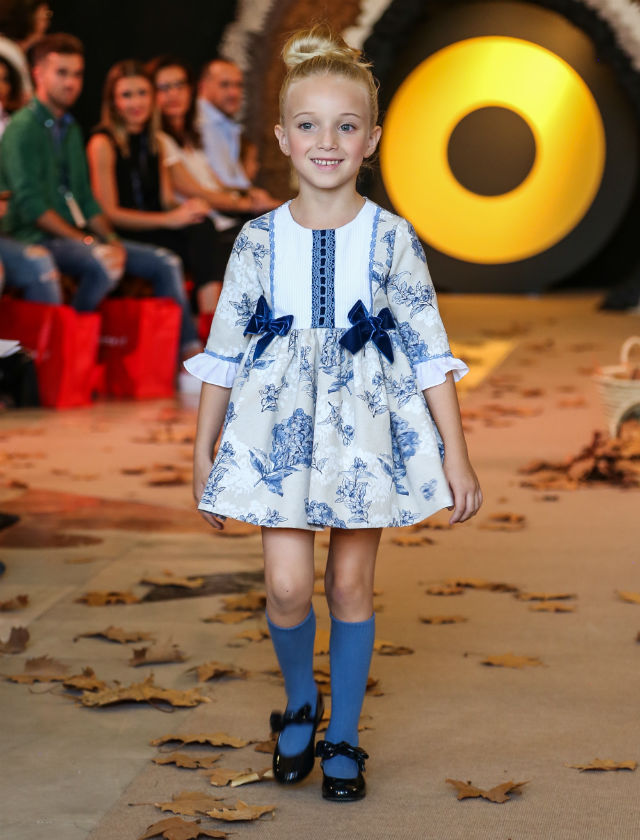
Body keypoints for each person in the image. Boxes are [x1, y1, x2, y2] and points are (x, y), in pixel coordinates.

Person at [185, 25, 482, 802]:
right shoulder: (257, 241)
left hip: (363, 437)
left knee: (349, 583)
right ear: (283, 137)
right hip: (276, 435)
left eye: (346, 126)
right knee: (287, 587)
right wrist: (203, 448)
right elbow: (224, 349)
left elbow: (428, 349)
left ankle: (344, 733)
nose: (327, 142)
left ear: (371, 140)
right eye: (309, 126)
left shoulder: (392, 239)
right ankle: (300, 702)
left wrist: (455, 454)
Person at [0, 34, 200, 363]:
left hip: (73, 236)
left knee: (165, 262)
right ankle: (69, 352)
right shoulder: (23, 128)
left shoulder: (70, 128)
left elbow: (86, 201)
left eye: (77, 74)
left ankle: (187, 357)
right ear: (38, 74)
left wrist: (111, 240)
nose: (71, 82)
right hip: (33, 236)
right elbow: (32, 207)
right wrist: (90, 242)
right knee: (101, 263)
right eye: (61, 73)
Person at [87, 59, 222, 317]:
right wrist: (169, 219)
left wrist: (189, 208)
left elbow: (166, 200)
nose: (136, 103)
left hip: (154, 226)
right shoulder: (102, 143)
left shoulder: (156, 142)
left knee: (204, 226)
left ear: (152, 98)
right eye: (127, 95)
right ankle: (200, 323)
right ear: (113, 102)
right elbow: (109, 213)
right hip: (123, 232)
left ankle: (209, 316)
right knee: (199, 242)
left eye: (142, 93)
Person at [149, 55, 274, 314]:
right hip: (197, 221)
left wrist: (250, 196)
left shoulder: (191, 137)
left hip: (214, 216)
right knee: (229, 234)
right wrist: (248, 204)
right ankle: (213, 322)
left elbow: (218, 185)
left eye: (179, 86)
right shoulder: (161, 139)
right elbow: (190, 189)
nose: (174, 95)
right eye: (164, 88)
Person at [198, 57, 279, 210]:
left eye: (238, 85)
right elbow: (218, 185)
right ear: (203, 86)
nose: (233, 93)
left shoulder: (221, 123)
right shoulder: (201, 123)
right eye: (224, 84)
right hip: (222, 213)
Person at [0, 0, 52, 103]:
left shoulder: (13, 50)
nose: (47, 24)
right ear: (26, 17)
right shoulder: (7, 51)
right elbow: (26, 101)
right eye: (44, 16)